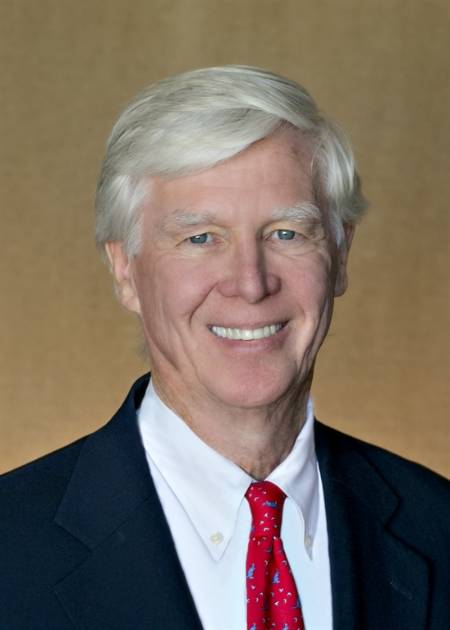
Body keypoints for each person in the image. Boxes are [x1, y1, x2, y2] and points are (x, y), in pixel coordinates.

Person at [1, 66, 448, 630]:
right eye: (200, 238)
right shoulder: (10, 549)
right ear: (124, 270)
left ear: (340, 253)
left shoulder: (439, 526)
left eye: (286, 232)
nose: (250, 282)